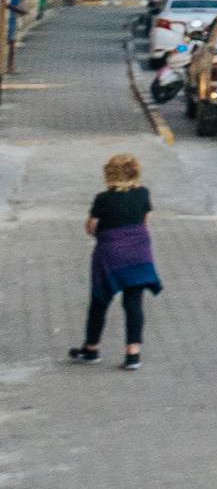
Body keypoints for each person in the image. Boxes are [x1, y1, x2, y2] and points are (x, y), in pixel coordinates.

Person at [71, 152, 162, 370]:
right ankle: (133, 355)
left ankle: (91, 349)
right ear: (135, 172)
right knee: (134, 303)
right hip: (139, 253)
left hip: (110, 255)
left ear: (109, 174)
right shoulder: (143, 193)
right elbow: (144, 222)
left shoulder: (103, 198)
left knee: (100, 301)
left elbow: (91, 227)